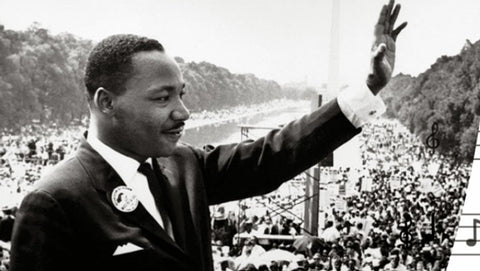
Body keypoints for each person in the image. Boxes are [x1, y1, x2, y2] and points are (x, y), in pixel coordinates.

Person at [9, 1, 407, 270]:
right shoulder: (54, 201)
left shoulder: (183, 164)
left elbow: (275, 155)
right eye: (162, 98)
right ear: (107, 103)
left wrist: (368, 88)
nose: (183, 112)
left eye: (181, 94)